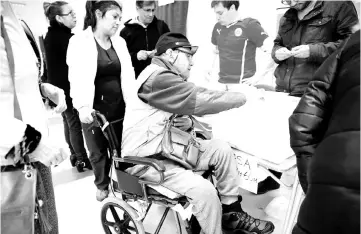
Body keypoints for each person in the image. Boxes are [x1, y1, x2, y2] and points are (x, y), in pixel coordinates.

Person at [121, 32, 275, 234]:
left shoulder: (163, 75)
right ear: (170, 54)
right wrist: (244, 97)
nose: (192, 63)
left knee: (221, 149)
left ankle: (230, 212)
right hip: (147, 160)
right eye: (188, 55)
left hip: (166, 147)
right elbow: (200, 99)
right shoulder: (157, 78)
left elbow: (195, 94)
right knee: (205, 191)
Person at [0, 1, 68, 233]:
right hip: (12, 159)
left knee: (47, 225)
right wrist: (32, 144)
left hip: (31, 154)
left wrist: (40, 89)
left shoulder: (10, 13)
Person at [289, 28, 360, 233]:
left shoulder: (353, 40)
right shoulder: (289, 20)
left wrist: (314, 184)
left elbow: (303, 125)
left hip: (335, 179)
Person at [66, 0, 135, 201]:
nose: (118, 22)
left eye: (120, 18)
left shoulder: (120, 42)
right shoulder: (79, 41)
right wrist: (82, 106)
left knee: (125, 150)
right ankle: (102, 184)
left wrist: (135, 102)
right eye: (114, 17)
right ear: (98, 14)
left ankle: (128, 186)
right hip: (94, 109)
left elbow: (128, 74)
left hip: (120, 107)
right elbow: (75, 77)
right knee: (97, 152)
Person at [272, 0, 358, 96]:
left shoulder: (339, 5)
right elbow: (277, 44)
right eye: (287, 1)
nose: (292, 4)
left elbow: (353, 44)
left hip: (318, 94)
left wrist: (312, 51)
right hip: (282, 92)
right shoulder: (286, 17)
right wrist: (277, 53)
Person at [43, 1, 91, 172]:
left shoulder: (51, 35)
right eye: (69, 13)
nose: (74, 15)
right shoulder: (65, 39)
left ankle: (74, 155)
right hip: (65, 88)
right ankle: (82, 159)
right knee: (74, 124)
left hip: (58, 90)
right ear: (59, 18)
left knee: (68, 122)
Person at [209, 0, 274, 90]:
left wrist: (257, 77)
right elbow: (214, 53)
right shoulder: (218, 27)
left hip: (241, 86)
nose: (217, 17)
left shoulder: (249, 25)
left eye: (220, 13)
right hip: (221, 85)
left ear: (232, 8)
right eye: (216, 13)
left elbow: (273, 51)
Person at [120, 0, 170, 78]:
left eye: (153, 10)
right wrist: (136, 56)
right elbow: (120, 58)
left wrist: (159, 53)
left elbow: (171, 50)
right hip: (136, 80)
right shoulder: (125, 32)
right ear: (137, 8)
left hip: (159, 78)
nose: (151, 14)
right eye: (147, 10)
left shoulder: (162, 26)